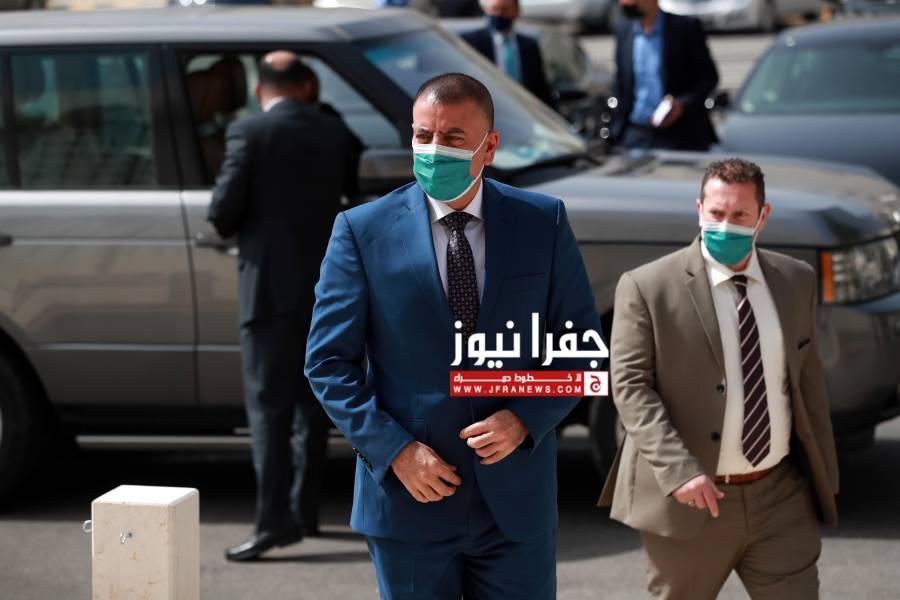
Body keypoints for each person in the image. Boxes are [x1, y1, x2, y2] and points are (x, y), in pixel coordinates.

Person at [305, 72, 601, 599]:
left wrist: (523, 419)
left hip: (515, 505)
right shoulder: (361, 230)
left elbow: (582, 353)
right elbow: (327, 363)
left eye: (453, 138)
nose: (434, 150)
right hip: (410, 501)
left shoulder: (542, 222)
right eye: (423, 136)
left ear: (490, 146)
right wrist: (395, 451)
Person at [598, 158, 839, 599]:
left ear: (763, 216)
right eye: (716, 213)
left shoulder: (796, 280)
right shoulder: (647, 287)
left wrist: (825, 476)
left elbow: (808, 384)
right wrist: (679, 471)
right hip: (690, 500)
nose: (725, 225)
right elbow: (630, 387)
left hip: (780, 496)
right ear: (699, 209)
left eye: (740, 215)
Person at [208, 50, 361, 561]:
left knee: (269, 410)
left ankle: (273, 522)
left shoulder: (248, 132)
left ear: (260, 90)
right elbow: (350, 189)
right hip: (326, 289)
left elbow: (222, 213)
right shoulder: (334, 132)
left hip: (268, 293)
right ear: (306, 86)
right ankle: (304, 511)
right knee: (314, 406)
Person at [611, 0, 719, 151]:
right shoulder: (623, 29)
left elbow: (709, 78)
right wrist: (616, 130)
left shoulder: (685, 27)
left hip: (679, 134)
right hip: (635, 133)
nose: (626, 3)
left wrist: (681, 105)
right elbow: (621, 82)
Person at [461, 0, 557, 110]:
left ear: (516, 12)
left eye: (504, 10)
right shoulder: (471, 42)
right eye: (494, 9)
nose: (498, 14)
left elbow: (540, 88)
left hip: (523, 111)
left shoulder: (529, 46)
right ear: (486, 10)